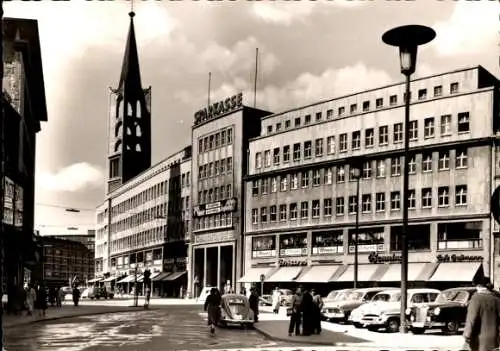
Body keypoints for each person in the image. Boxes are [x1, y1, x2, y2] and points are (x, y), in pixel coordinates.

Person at [463, 276, 500, 351]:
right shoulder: (497, 299)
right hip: (495, 339)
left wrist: (467, 335)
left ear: (479, 286)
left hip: (479, 339)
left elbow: (471, 319)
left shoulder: (476, 299)